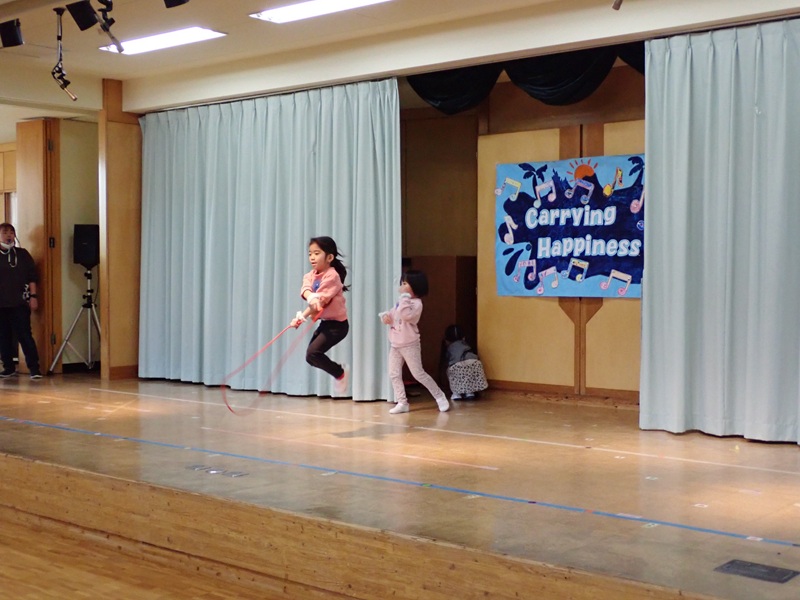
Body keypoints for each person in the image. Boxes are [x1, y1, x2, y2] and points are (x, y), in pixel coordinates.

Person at [380, 270, 449, 414]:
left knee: (418, 373)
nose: (402, 286)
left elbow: (407, 316)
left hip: (409, 344)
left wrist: (404, 298)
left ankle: (439, 396)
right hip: (395, 344)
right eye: (402, 283)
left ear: (415, 286)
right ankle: (402, 402)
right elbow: (394, 316)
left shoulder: (416, 304)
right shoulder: (401, 302)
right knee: (394, 373)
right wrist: (386, 317)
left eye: (405, 283)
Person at [290, 236, 349, 396]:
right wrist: (309, 302)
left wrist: (303, 315)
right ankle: (339, 372)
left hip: (338, 326)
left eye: (317, 253)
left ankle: (340, 373)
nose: (312, 257)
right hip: (326, 323)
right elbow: (306, 290)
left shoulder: (332, 276)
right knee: (310, 357)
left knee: (313, 353)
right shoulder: (310, 275)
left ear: (329, 257)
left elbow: (320, 301)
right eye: (310, 254)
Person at [0, 223, 42, 379]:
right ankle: (8, 367)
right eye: (5, 232)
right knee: (3, 336)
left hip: (19, 302)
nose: (9, 235)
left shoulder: (22, 254)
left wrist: (33, 296)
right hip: (1, 303)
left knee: (24, 335)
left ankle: (34, 368)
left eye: (11, 232)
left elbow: (32, 277)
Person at [441, 324, 488, 400]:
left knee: (452, 372)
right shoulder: (466, 344)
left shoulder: (450, 347)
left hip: (458, 366)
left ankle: (456, 394)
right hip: (475, 363)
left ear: (447, 339)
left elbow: (448, 360)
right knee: (469, 376)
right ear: (463, 337)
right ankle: (470, 393)